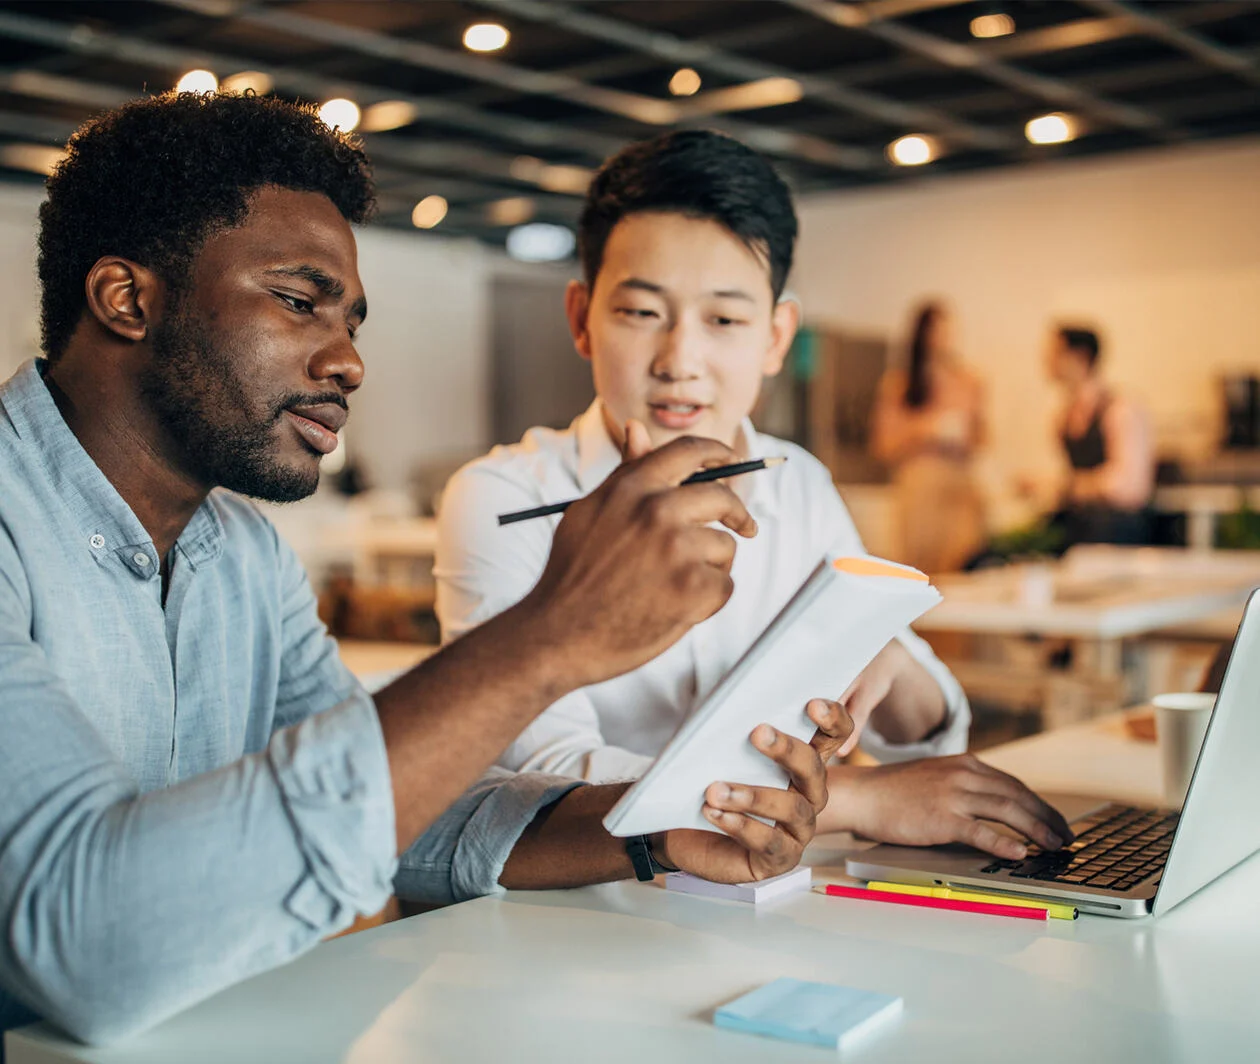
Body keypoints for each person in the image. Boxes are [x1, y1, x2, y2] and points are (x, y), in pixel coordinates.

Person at [0, 94, 853, 1049]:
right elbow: (81, 944)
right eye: (297, 300)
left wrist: (647, 832)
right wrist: (548, 637)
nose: (350, 362)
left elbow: (408, 818)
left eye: (352, 321)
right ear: (128, 299)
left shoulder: (242, 554)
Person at [436, 132, 1071, 861]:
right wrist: (859, 802)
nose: (680, 361)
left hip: (768, 889)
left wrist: (890, 654)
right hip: (576, 901)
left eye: (725, 320)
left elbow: (924, 731)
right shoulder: (503, 498)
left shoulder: (794, 479)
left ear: (776, 336)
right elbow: (542, 773)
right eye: (642, 313)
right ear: (582, 318)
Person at [870, 301, 987, 575]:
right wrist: (923, 431)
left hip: (959, 487)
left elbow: (982, 440)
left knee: (962, 566)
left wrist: (961, 436)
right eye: (938, 330)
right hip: (919, 489)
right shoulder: (899, 384)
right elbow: (883, 446)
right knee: (922, 572)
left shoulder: (969, 381)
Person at [1044, 325, 1155, 546]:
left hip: (1114, 529)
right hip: (1077, 523)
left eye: (1054, 352)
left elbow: (1130, 486)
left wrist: (1067, 486)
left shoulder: (1121, 409)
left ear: (1080, 356)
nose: (1047, 360)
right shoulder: (1063, 416)